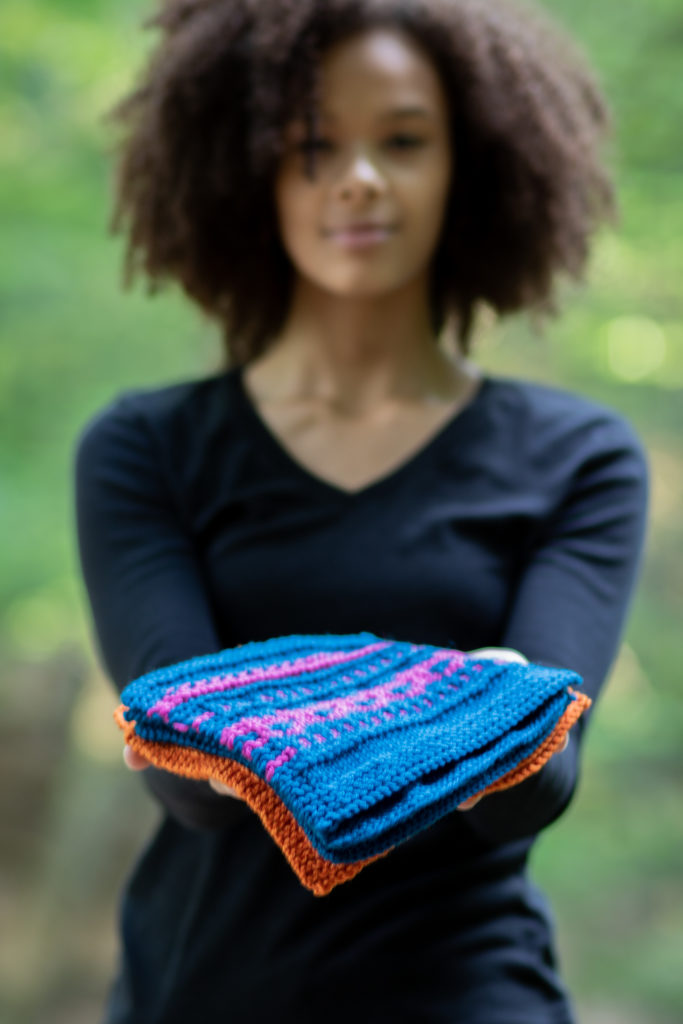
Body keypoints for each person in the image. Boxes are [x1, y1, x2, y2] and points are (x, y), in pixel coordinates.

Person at [73, 1, 650, 1020]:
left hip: (469, 993)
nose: (359, 176)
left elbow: (532, 786)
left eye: (402, 140)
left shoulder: (577, 459)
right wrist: (466, 703)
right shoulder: (143, 448)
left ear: (469, 164)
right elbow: (188, 783)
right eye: (311, 144)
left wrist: (253, 704)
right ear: (244, 165)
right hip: (198, 992)